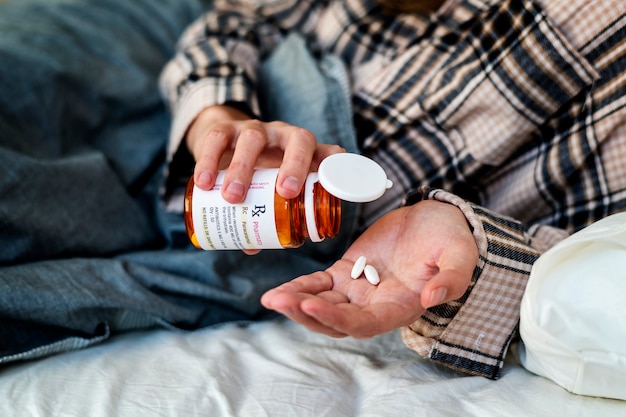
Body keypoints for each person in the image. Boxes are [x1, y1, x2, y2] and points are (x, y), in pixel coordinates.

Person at [159, 0, 626, 379]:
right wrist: (218, 118)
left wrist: (476, 249)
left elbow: (596, 272)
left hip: (324, 236)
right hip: (204, 117)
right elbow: (234, 19)